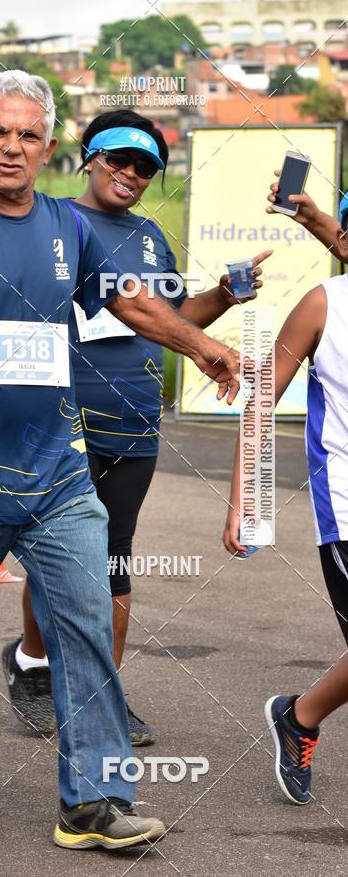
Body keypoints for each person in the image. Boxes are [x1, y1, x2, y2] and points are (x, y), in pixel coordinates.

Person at [0, 70, 240, 850]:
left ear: (49, 148)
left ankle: (94, 800)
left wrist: (200, 344)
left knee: (87, 625)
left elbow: (132, 300)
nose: (13, 146)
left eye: (29, 134)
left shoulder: (72, 228)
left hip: (56, 478)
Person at [2, 110, 271, 746]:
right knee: (56, 557)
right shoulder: (51, 222)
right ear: (88, 157)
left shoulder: (150, 238)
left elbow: (170, 318)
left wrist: (225, 295)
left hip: (133, 422)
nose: (130, 175)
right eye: (119, 160)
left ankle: (101, 697)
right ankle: (32, 666)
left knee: (115, 556)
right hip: (60, 421)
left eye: (145, 167)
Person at [222, 177, 348, 805]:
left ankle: (298, 715)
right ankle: (297, 717)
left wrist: (314, 217)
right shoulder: (325, 305)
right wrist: (244, 494)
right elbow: (260, 403)